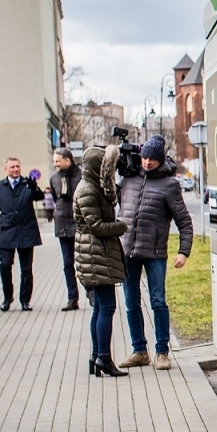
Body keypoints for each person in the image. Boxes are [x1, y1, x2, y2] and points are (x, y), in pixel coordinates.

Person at [115, 135, 192, 370]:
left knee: (157, 301)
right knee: (131, 302)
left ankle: (162, 352)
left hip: (155, 252)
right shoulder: (128, 180)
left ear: (160, 160)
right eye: (144, 158)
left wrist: (183, 252)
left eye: (152, 159)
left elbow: (184, 221)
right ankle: (139, 351)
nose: (147, 162)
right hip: (128, 251)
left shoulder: (170, 185)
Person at [74, 145, 128, 378]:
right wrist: (120, 226)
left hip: (95, 254)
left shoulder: (90, 186)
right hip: (96, 254)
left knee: (99, 307)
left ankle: (96, 356)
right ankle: (103, 358)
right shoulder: (87, 189)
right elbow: (96, 226)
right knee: (106, 307)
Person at [0, 157, 44, 312]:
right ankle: (7, 297)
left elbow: (39, 197)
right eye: (12, 167)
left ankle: (25, 300)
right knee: (5, 265)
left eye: (18, 166)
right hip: (7, 232)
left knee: (26, 269)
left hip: (26, 231)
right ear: (5, 169)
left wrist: (34, 188)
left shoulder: (27, 184)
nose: (15, 169)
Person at [46, 147, 81, 311]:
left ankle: (91, 293)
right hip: (62, 225)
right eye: (54, 161)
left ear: (68, 160)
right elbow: (55, 198)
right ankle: (72, 298)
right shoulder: (54, 178)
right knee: (68, 264)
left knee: (84, 261)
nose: (55, 164)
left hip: (79, 223)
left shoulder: (81, 176)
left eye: (57, 161)